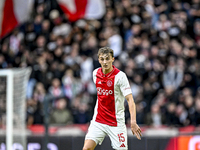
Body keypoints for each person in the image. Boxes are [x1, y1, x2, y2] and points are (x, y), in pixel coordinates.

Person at [82, 47, 142, 150]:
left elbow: (130, 100)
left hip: (116, 123)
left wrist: (133, 121)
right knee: (87, 148)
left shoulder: (120, 76)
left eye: (107, 59)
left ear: (112, 59)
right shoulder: (95, 73)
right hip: (98, 121)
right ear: (99, 60)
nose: (105, 62)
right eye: (102, 59)